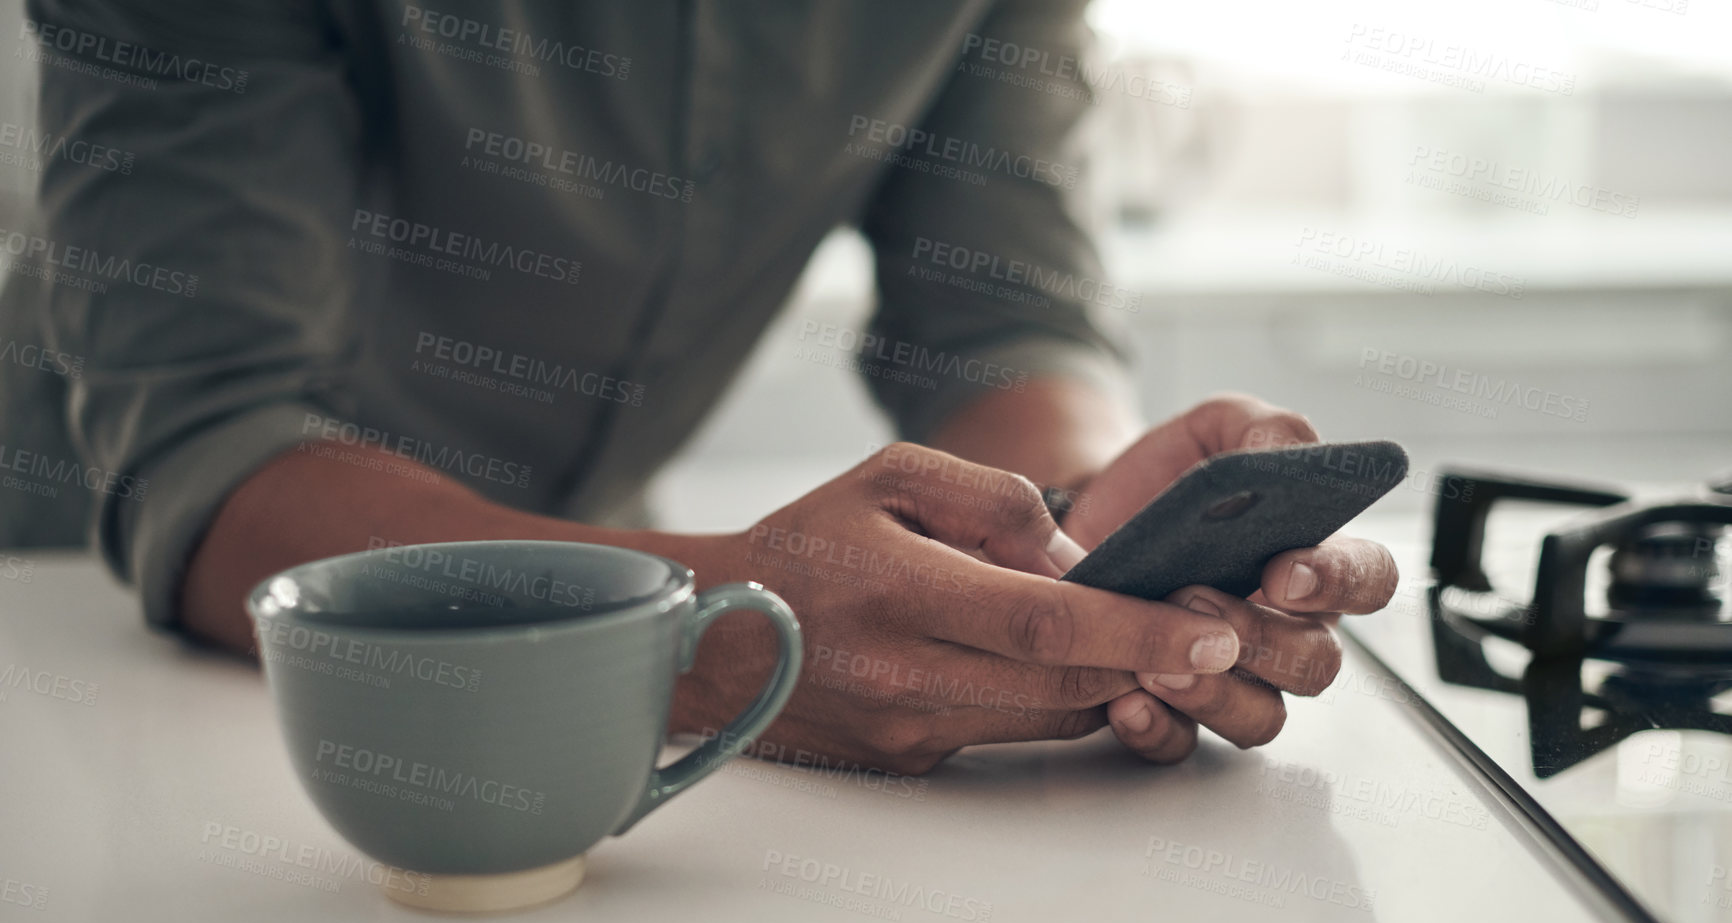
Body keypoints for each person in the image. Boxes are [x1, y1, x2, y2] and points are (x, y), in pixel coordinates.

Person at [11, 0, 1396, 774]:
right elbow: (214, 436)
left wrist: (1079, 536)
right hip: (83, 624)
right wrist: (708, 628)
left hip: (584, 578)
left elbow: (999, 321)